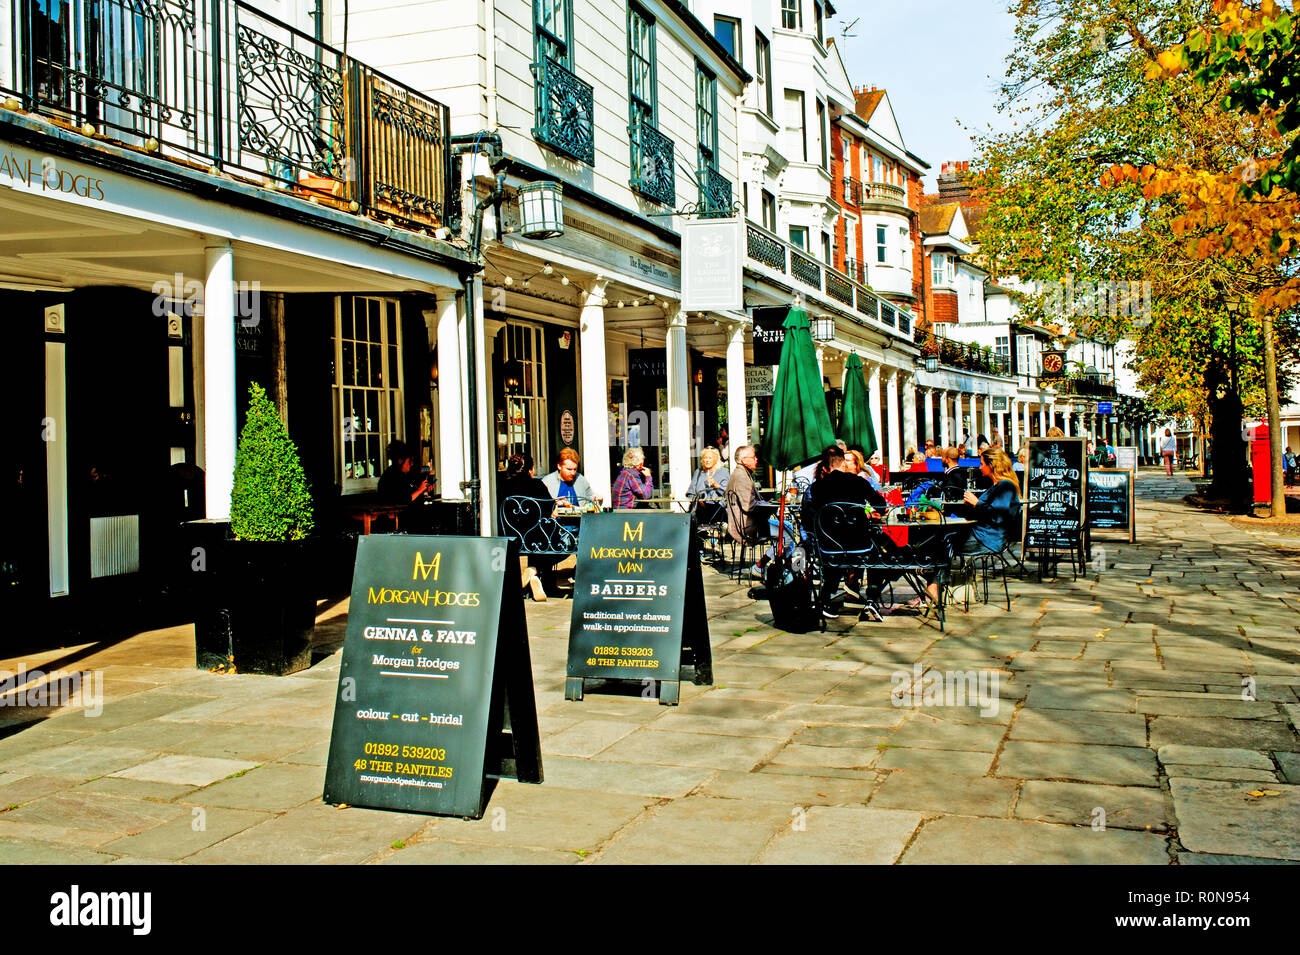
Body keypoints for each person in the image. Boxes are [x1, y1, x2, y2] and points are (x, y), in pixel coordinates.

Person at [921, 447, 1021, 607]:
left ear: (992, 465)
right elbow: (984, 513)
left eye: (982, 464)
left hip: (988, 539)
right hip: (982, 535)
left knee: (943, 541)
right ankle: (932, 587)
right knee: (939, 539)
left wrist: (977, 503)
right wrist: (970, 506)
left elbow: (997, 515)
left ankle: (933, 589)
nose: (980, 467)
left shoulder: (1005, 487)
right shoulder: (998, 486)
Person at [498, 453, 550, 602]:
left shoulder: (500, 486)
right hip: (535, 539)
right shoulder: (537, 485)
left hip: (507, 537)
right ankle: (533, 570)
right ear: (530, 469)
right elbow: (549, 509)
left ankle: (529, 576)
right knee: (561, 543)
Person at [727, 445, 768, 574]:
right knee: (787, 532)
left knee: (785, 529)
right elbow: (749, 506)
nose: (756, 459)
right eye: (753, 457)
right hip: (748, 526)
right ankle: (760, 566)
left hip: (744, 523)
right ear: (743, 460)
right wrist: (768, 506)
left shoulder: (740, 473)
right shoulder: (742, 477)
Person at [378, 440, 432, 504]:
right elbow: (403, 500)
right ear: (400, 460)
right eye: (409, 461)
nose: (411, 464)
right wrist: (420, 490)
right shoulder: (392, 477)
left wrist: (423, 488)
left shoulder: (401, 475)